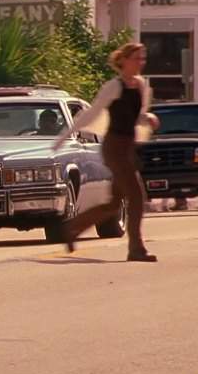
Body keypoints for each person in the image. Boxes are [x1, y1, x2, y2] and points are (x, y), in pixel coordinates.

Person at [52, 42, 160, 262]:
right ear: (124, 60)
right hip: (114, 147)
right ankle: (136, 248)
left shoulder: (141, 85)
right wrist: (64, 137)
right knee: (136, 196)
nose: (140, 63)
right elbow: (92, 113)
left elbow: (137, 115)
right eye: (136, 58)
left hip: (128, 147)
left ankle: (72, 228)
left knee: (113, 203)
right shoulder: (113, 86)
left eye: (143, 58)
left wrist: (148, 118)